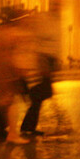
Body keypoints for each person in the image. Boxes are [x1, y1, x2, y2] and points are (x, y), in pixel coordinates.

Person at [0, 7, 38, 144]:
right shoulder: (13, 33)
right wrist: (21, 70)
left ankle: (8, 132)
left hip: (2, 71)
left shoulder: (3, 31)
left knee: (6, 103)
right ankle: (12, 134)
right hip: (8, 72)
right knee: (10, 103)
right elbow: (15, 54)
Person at [19, 9, 59, 137]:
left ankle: (27, 126)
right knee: (36, 97)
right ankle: (21, 127)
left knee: (36, 99)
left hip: (40, 66)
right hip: (35, 68)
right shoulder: (32, 33)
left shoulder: (45, 27)